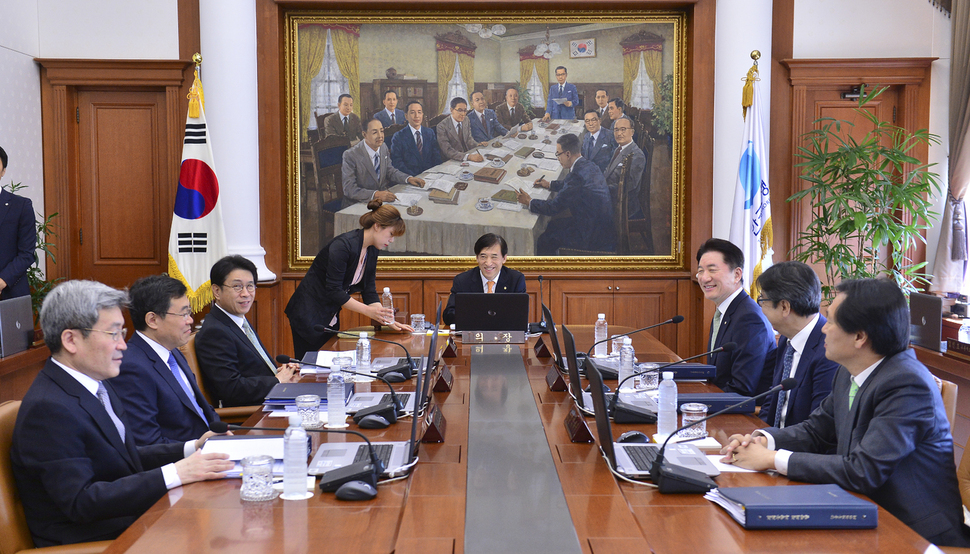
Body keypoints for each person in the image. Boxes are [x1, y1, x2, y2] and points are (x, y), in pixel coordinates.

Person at [721, 279, 970, 547]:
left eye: (831, 322)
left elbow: (863, 470)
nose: (823, 329)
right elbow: (816, 430)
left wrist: (771, 459)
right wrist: (762, 440)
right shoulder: (849, 371)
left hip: (914, 533)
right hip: (858, 512)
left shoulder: (907, 384)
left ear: (860, 337)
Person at [9, 280, 232, 547]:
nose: (124, 345)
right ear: (70, 340)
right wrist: (176, 473)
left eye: (122, 333)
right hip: (96, 540)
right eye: (113, 334)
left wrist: (190, 448)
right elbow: (82, 502)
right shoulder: (48, 408)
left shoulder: (96, 384)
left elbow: (121, 458)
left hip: (132, 519)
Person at [286, 201, 413, 358]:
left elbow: (369, 290)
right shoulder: (343, 246)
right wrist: (370, 312)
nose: (392, 240)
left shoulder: (372, 249)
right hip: (308, 314)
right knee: (311, 369)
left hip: (329, 315)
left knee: (327, 367)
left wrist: (387, 319)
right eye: (391, 234)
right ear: (377, 226)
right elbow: (334, 290)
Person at [112, 275, 221, 445]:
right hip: (184, 462)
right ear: (153, 320)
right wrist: (195, 447)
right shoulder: (131, 368)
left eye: (189, 312)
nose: (191, 320)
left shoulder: (172, 351)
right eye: (183, 314)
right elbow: (148, 443)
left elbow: (201, 410)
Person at [195, 256, 300, 407]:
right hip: (253, 414)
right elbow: (231, 389)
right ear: (216, 291)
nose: (246, 293)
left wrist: (284, 374)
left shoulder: (237, 319)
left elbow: (252, 370)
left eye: (250, 286)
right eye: (237, 287)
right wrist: (277, 380)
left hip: (269, 399)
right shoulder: (215, 332)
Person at [755, 261, 839, 428]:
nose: (761, 307)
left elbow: (819, 427)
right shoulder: (787, 339)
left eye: (762, 300)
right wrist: (758, 435)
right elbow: (772, 400)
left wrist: (771, 447)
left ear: (784, 307)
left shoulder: (828, 352)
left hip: (798, 449)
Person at [695, 238, 775, 396]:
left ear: (737, 274)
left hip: (742, 416)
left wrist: (697, 402)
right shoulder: (726, 310)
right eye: (700, 271)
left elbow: (742, 389)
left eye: (712, 270)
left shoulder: (749, 319)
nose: (704, 278)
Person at [516, 133, 615, 255]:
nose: (558, 158)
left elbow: (553, 207)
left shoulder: (576, 176)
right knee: (551, 225)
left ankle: (549, 273)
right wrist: (550, 184)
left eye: (558, 154)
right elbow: (572, 186)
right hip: (599, 225)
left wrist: (529, 201)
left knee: (544, 240)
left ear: (568, 154)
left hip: (591, 235)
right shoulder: (588, 164)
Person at [443, 233, 526, 326]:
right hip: (472, 336)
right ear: (477, 258)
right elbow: (449, 316)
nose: (488, 263)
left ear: (504, 258)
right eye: (483, 256)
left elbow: (520, 316)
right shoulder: (462, 281)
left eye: (494, 257)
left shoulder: (515, 280)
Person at [342, 118, 425, 203]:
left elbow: (390, 171)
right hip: (359, 203)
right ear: (364, 134)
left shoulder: (383, 147)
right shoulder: (350, 155)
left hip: (383, 200)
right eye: (375, 132)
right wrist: (376, 194)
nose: (380, 136)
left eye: (381, 131)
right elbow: (349, 189)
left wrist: (408, 178)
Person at [0, 146, 36, 301]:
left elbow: (26, 254)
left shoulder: (21, 206)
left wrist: (2, 282)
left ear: (3, 171)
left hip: (10, 293)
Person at [604, 116, 646, 218]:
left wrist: (602, 189)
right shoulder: (619, 148)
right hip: (611, 194)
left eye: (623, 129)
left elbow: (629, 185)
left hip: (623, 203)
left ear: (632, 132)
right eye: (616, 130)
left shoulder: (637, 155)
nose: (619, 134)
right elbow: (608, 171)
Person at [390, 100, 441, 176]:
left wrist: (435, 173)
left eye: (419, 112)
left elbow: (436, 157)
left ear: (422, 115)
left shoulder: (429, 133)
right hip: (411, 178)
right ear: (406, 116)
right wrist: (414, 177)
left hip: (430, 176)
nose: (416, 116)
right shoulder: (398, 137)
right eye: (412, 112)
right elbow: (397, 163)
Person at [436, 97, 486, 162]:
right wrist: (468, 157)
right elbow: (447, 150)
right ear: (451, 110)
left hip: (467, 157)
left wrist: (477, 144)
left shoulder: (466, 120)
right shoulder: (442, 126)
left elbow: (468, 139)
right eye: (459, 110)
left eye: (465, 110)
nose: (463, 114)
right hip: (452, 160)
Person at [581, 109, 616, 173]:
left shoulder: (610, 135)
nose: (590, 124)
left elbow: (615, 159)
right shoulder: (586, 136)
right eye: (587, 121)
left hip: (603, 174)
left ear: (599, 120)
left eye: (593, 120)